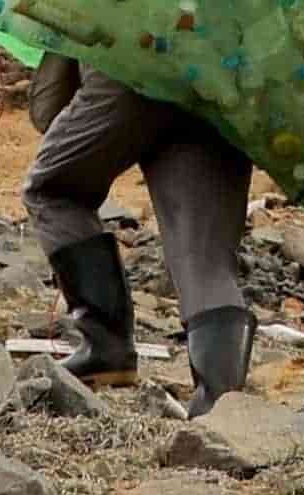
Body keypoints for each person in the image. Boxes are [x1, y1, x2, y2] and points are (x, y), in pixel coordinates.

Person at [24, 50, 253, 403]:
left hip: (132, 61)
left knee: (54, 190)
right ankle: (221, 405)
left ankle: (106, 349)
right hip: (222, 75)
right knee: (204, 256)